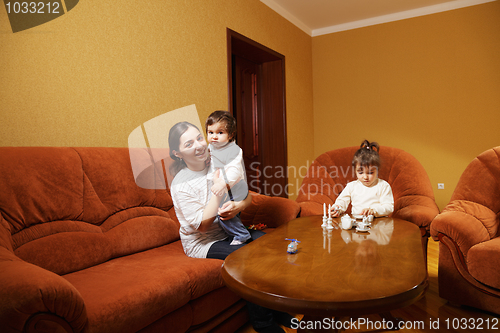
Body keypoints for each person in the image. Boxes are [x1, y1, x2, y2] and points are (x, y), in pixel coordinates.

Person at [168, 121, 292, 333]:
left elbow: (247, 196)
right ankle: (263, 323)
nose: (199, 146)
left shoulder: (217, 162)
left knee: (271, 244)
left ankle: (278, 308)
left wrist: (238, 205)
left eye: (199, 138)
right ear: (177, 153)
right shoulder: (181, 184)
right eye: (189, 144)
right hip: (203, 242)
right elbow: (203, 227)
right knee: (251, 257)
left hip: (230, 232)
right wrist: (218, 190)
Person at [205, 111, 251, 245]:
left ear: (230, 135)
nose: (214, 137)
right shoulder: (211, 148)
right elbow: (213, 165)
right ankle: (235, 233)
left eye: (220, 133)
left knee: (224, 212)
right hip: (226, 186)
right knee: (229, 213)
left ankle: (241, 234)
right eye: (210, 132)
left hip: (236, 186)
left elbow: (235, 171)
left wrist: (222, 184)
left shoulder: (234, 150)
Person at [330, 140, 394, 218]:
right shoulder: (352, 186)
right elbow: (342, 201)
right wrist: (337, 209)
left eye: (370, 173)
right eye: (360, 172)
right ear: (355, 171)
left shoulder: (383, 186)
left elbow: (389, 207)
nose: (365, 177)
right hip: (357, 224)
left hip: (378, 225)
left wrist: (373, 210)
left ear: (377, 170)